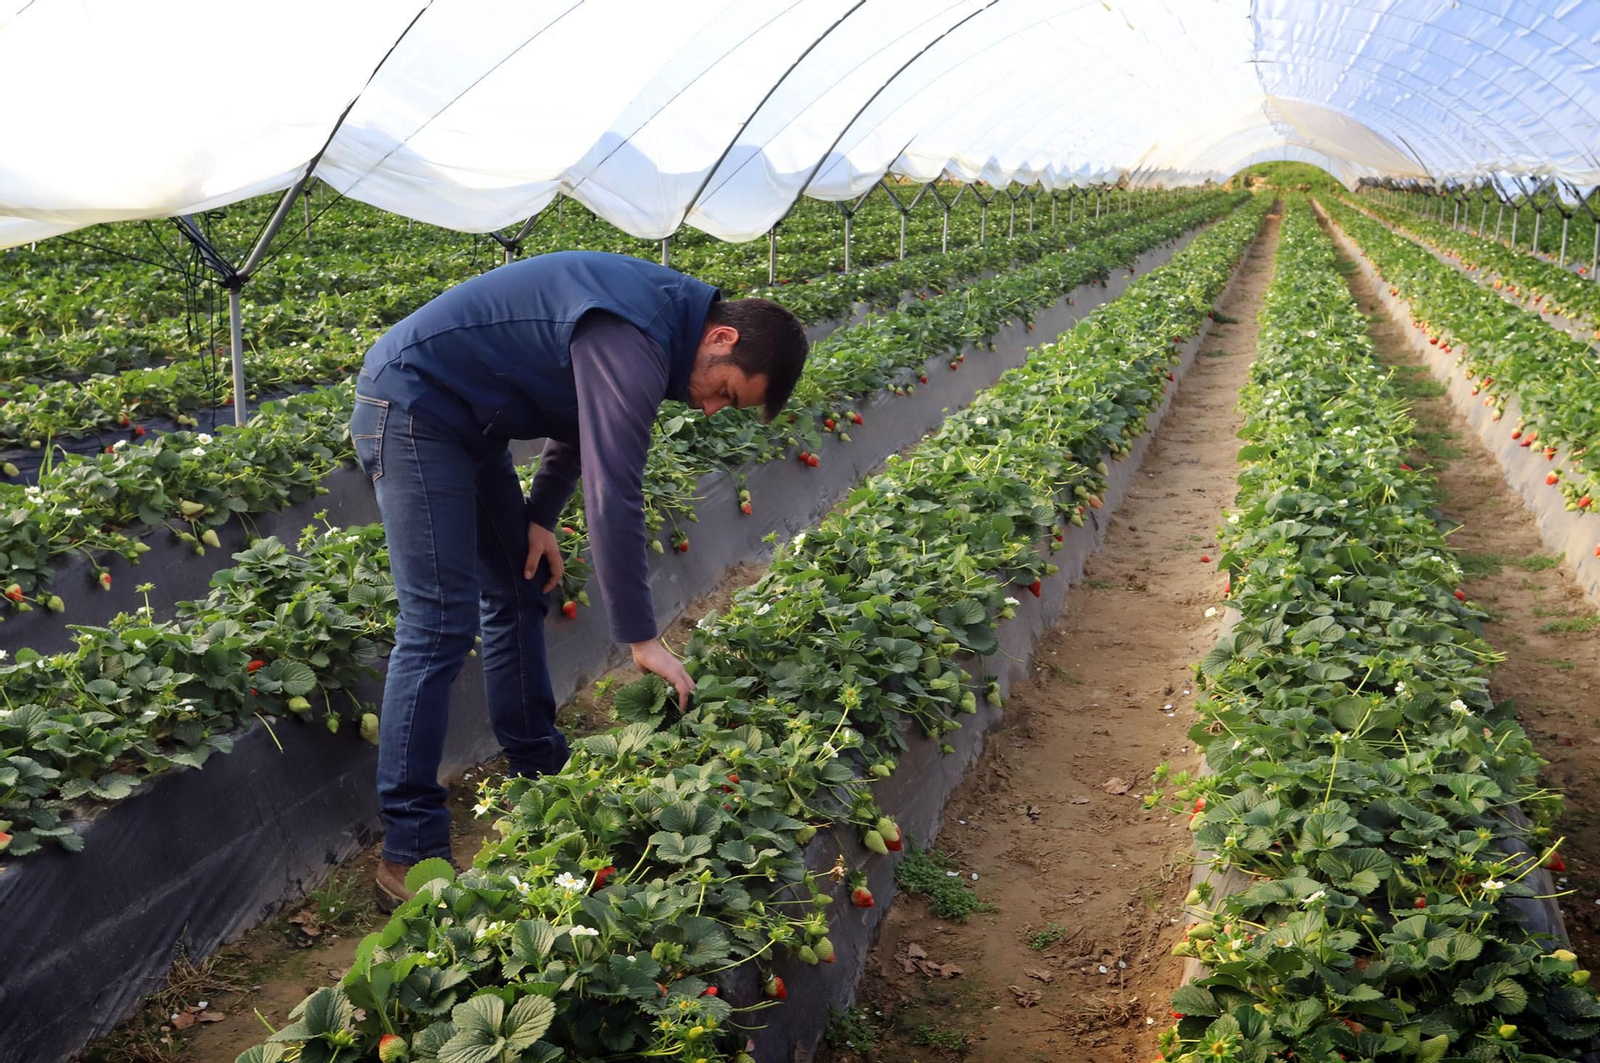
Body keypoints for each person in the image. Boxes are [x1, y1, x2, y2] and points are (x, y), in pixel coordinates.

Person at [350, 250, 808, 910]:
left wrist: (537, 516)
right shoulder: (636, 331)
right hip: (413, 404)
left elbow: (578, 425)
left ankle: (539, 770)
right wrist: (641, 638)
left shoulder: (657, 330)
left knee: (519, 584)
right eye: (726, 392)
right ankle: (410, 851)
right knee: (440, 621)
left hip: (467, 420)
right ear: (722, 338)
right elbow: (613, 485)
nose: (710, 408)